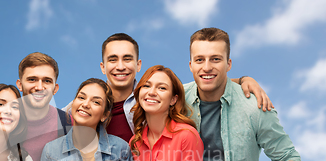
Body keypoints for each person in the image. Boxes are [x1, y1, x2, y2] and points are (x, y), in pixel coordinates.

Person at [185, 27, 301, 161]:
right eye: (199, 60)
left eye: (216, 59)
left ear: (228, 64)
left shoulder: (255, 106)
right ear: (191, 65)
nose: (207, 67)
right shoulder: (175, 99)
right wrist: (243, 79)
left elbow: (290, 158)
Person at [96, 33, 273, 143]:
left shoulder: (151, 97)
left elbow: (206, 83)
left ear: (138, 64)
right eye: (113, 59)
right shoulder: (85, 105)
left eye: (127, 59)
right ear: (103, 67)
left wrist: (243, 80)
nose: (120, 66)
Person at [40, 78, 136, 161]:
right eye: (81, 97)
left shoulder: (120, 149)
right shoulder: (51, 150)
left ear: (104, 115)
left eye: (96, 102)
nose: (85, 104)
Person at [131, 65, 203, 161]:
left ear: (173, 100)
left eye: (162, 88)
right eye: (146, 86)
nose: (152, 92)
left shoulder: (187, 137)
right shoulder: (135, 143)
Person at [16, 52, 72, 161]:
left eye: (47, 81)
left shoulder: (67, 123)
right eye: (32, 79)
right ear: (20, 85)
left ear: (55, 88)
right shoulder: (3, 122)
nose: (40, 87)